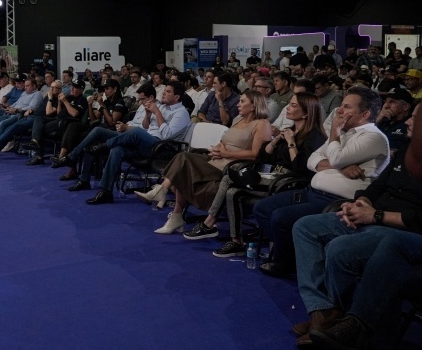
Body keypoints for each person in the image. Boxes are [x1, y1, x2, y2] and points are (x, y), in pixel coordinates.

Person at [291, 105, 422, 349]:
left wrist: (375, 215)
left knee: (340, 249)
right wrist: (360, 203)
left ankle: (346, 322)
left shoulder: (376, 138)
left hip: (400, 229)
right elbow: (376, 187)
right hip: (373, 216)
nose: (408, 122)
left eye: (415, 118)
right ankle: (323, 311)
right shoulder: (407, 150)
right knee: (305, 227)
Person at [253, 86, 390, 277]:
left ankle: (287, 262)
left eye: (347, 107)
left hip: (337, 201)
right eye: (341, 105)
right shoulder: (344, 134)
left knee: (280, 217)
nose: (339, 111)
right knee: (262, 209)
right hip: (312, 192)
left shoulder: (374, 137)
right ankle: (295, 256)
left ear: (365, 114)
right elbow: (312, 160)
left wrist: (334, 135)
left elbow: (335, 158)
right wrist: (341, 165)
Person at [181, 93, 326, 257]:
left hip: (290, 182)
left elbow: (300, 168)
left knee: (230, 177)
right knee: (233, 192)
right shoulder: (290, 131)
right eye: (289, 104)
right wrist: (275, 141)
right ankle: (236, 241)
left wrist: (291, 143)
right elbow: (263, 157)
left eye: (293, 105)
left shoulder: (315, 136)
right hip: (273, 175)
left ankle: (209, 223)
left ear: (306, 113)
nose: (287, 108)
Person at [147, 91, 272, 235]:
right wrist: (217, 149)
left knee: (183, 160)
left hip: (231, 168)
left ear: (254, 105)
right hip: (216, 159)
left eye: (242, 101)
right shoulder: (238, 120)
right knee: (182, 160)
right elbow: (225, 141)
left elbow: (256, 154)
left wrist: (226, 154)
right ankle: (174, 212)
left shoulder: (262, 124)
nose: (238, 104)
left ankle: (164, 195)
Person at [81, 82, 192, 205]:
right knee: (117, 150)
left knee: (136, 132)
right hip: (146, 144)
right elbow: (146, 127)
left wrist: (157, 113)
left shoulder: (181, 113)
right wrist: (148, 115)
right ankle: (105, 192)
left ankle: (103, 146)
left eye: (168, 91)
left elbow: (167, 135)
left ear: (176, 97)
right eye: (164, 90)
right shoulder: (161, 107)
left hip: (163, 149)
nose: (164, 93)